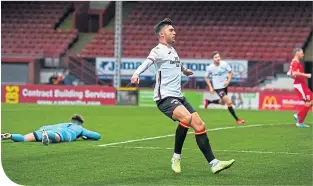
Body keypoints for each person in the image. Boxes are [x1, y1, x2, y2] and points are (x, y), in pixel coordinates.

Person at [130, 18, 235, 174]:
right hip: (164, 97)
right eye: (171, 30)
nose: (175, 32)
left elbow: (177, 63)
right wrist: (136, 74)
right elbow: (147, 63)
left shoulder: (172, 50)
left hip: (179, 96)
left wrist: (184, 70)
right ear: (162, 34)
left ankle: (214, 164)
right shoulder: (157, 50)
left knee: (200, 125)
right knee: (186, 118)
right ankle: (176, 157)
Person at [1, 114, 101, 145]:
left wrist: (42, 130)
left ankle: (10, 136)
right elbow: (97, 136)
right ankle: (48, 135)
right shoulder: (79, 128)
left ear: (71, 120)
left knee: (23, 138)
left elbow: (44, 127)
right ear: (80, 122)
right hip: (63, 133)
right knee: (57, 137)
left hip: (45, 128)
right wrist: (85, 136)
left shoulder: (63, 123)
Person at [204, 51, 245, 124]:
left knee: (222, 102)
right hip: (218, 87)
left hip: (225, 86)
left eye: (218, 57)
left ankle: (208, 102)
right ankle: (237, 119)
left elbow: (231, 73)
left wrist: (228, 81)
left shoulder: (224, 64)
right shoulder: (210, 68)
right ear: (213, 59)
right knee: (228, 102)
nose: (218, 58)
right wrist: (210, 87)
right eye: (216, 57)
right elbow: (206, 77)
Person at [287, 48, 312, 127]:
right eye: (301, 53)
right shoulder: (295, 62)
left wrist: (295, 76)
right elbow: (294, 73)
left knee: (309, 102)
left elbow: (290, 73)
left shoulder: (294, 62)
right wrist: (306, 75)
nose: (303, 55)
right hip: (300, 85)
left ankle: (299, 119)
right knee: (310, 101)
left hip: (301, 84)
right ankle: (299, 118)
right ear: (297, 53)